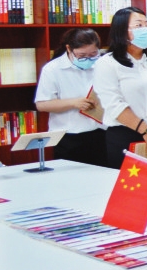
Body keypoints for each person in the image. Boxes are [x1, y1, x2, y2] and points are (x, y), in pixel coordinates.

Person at [93, 7, 147, 169]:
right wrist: (146, 131)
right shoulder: (107, 63)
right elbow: (114, 104)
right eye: (139, 25)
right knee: (131, 183)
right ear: (122, 30)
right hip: (126, 133)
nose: (145, 29)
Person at [34, 28, 107, 167]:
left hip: (101, 133)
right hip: (68, 137)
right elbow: (42, 104)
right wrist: (74, 103)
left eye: (93, 54)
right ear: (69, 49)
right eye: (82, 55)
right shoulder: (53, 69)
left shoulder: (101, 64)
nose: (88, 59)